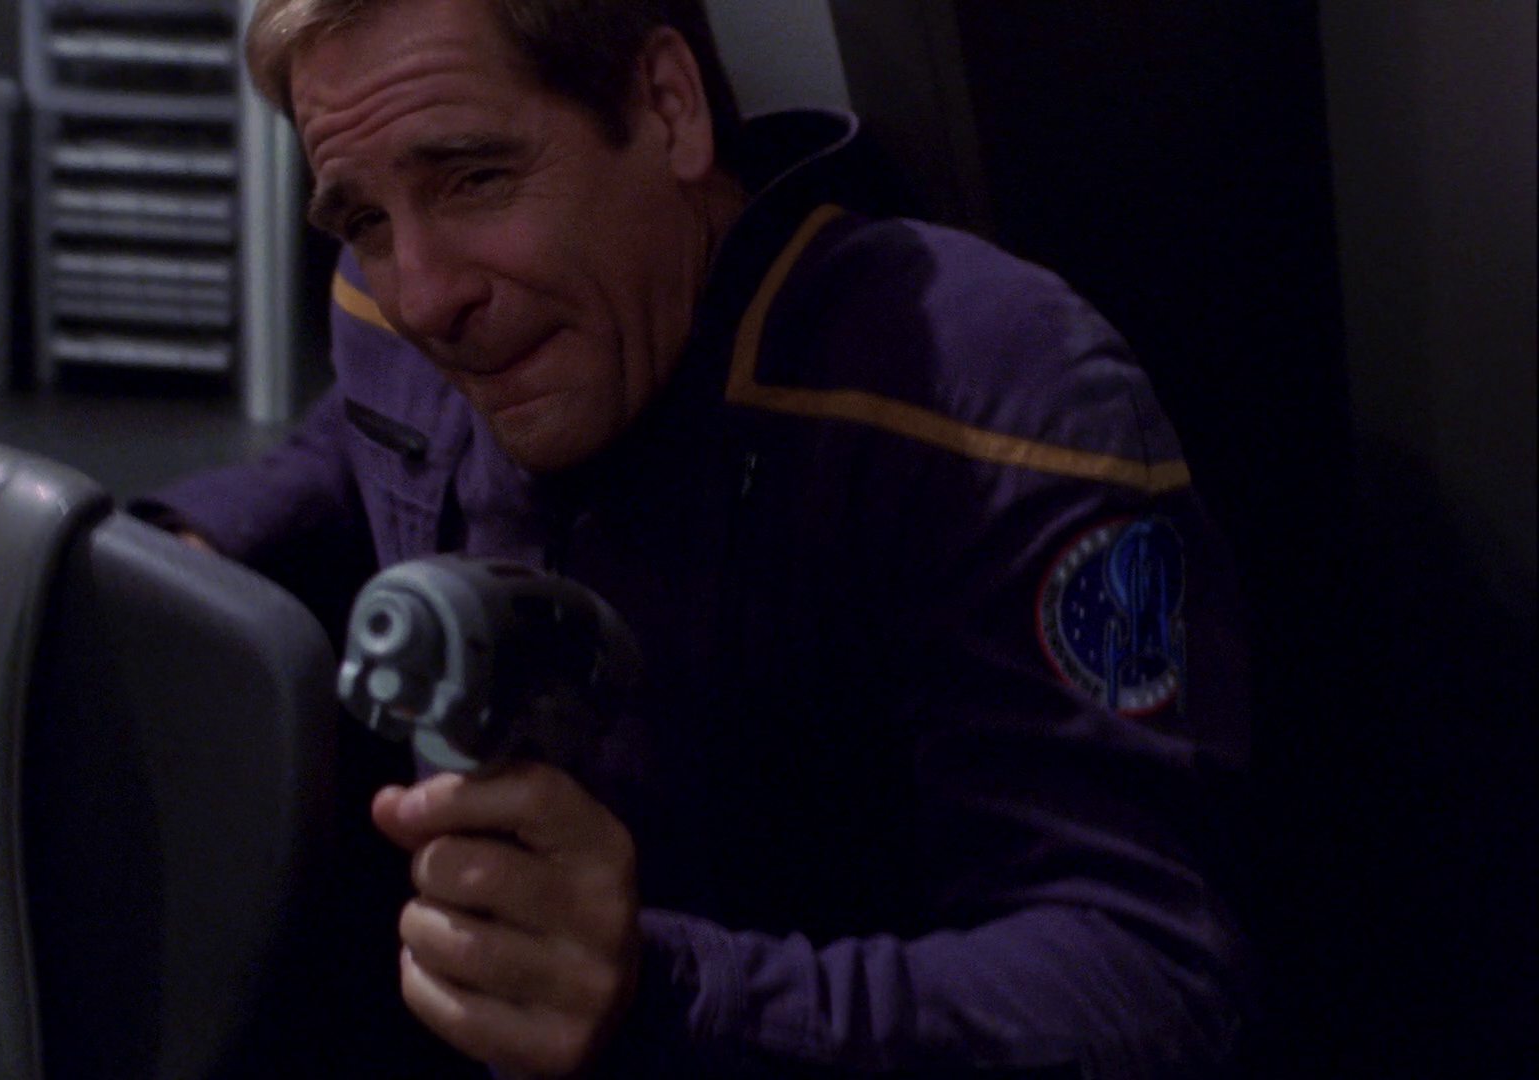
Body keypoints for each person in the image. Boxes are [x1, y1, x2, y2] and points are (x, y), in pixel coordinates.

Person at [135, 0, 1255, 1074]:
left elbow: (1150, 982)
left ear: (668, 107)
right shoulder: (408, 300)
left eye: (476, 177)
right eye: (366, 219)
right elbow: (372, 431)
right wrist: (184, 555)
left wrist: (663, 994)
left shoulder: (985, 397)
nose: (423, 299)